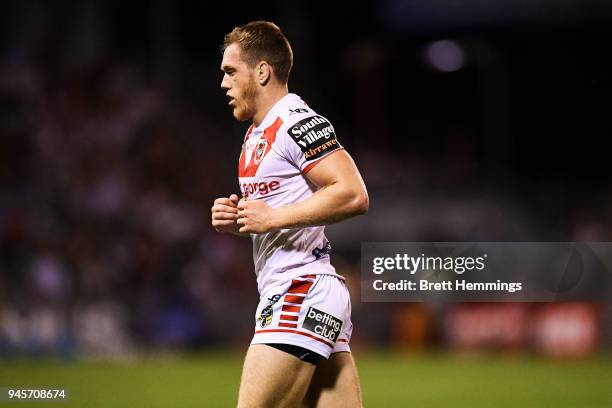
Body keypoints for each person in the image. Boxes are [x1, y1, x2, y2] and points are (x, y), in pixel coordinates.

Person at [212, 21, 368, 407]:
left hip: (299, 289)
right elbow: (275, 211)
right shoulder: (256, 135)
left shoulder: (296, 122)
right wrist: (243, 221)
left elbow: (352, 193)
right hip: (309, 293)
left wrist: (272, 219)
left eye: (231, 72)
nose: (223, 84)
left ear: (262, 71)